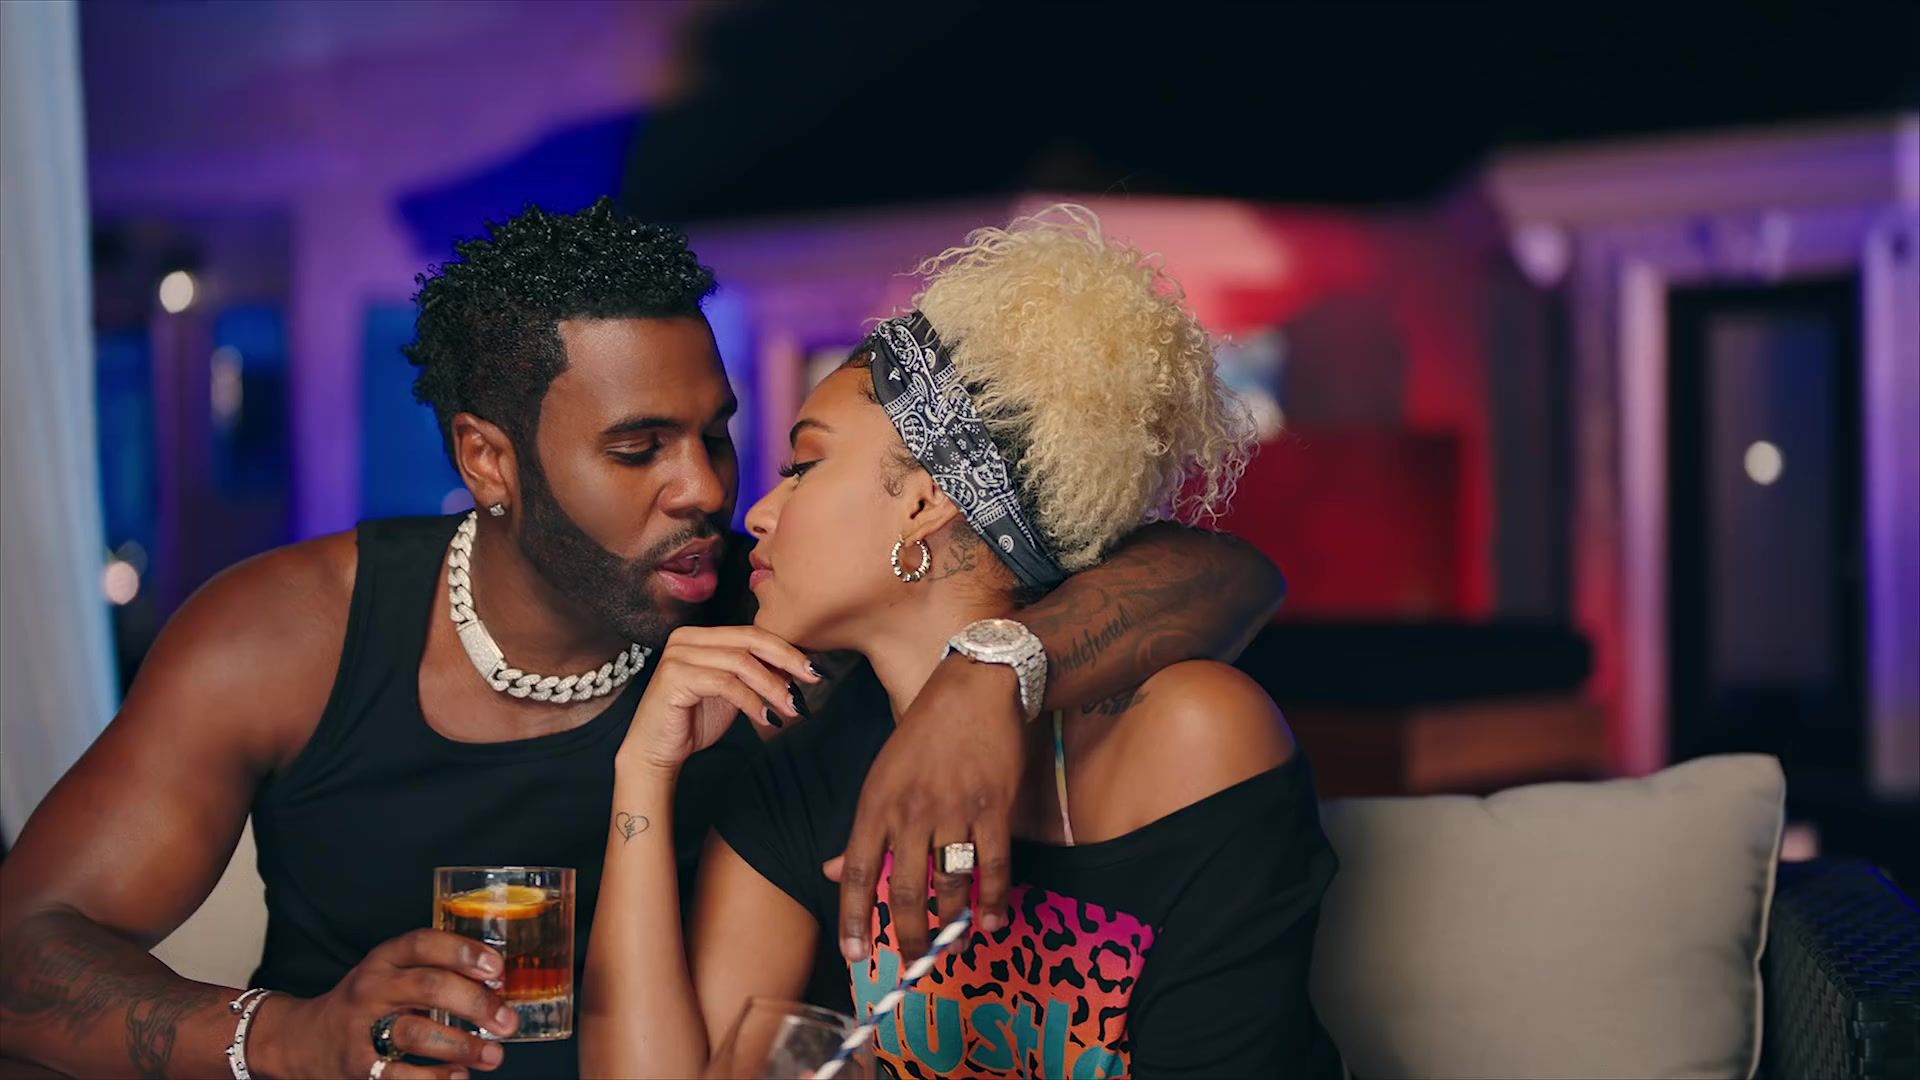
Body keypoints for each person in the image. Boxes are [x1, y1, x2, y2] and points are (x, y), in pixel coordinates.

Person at [0, 199, 1285, 1080]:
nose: (708, 490)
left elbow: (1212, 569)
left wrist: (990, 675)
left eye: (719, 435)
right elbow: (21, 951)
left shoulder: (773, 624)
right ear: (488, 460)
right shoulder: (288, 633)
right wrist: (287, 1039)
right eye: (638, 449)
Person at [581, 207, 1340, 1079]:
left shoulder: (1190, 733)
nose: (757, 512)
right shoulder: (809, 763)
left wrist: (993, 668)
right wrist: (643, 774)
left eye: (804, 467)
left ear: (925, 501)